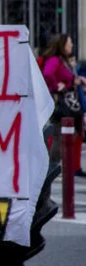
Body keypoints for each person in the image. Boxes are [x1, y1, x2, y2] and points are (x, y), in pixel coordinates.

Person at [42, 33, 86, 177]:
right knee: (58, 137)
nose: (71, 45)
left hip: (65, 104)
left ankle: (53, 167)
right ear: (62, 45)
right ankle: (49, 168)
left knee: (64, 136)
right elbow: (48, 74)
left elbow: (66, 78)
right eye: (69, 43)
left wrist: (75, 81)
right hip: (60, 104)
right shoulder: (55, 60)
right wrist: (56, 87)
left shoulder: (63, 61)